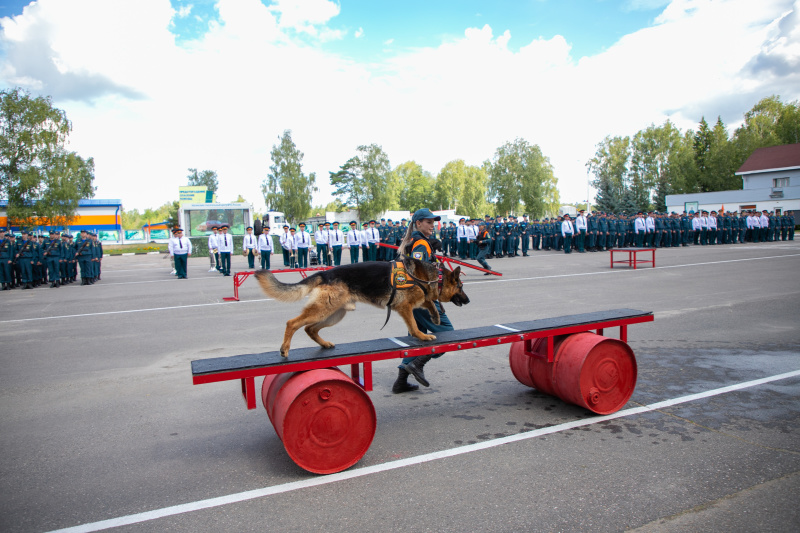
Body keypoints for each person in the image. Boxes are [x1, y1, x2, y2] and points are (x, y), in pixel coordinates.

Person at [394, 208, 455, 393]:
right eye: (429, 222)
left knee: (416, 339)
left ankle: (401, 382)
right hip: (421, 300)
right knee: (448, 336)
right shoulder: (421, 243)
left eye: (434, 222)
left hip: (409, 299)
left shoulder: (413, 241)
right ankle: (418, 363)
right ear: (418, 223)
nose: (433, 225)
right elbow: (418, 274)